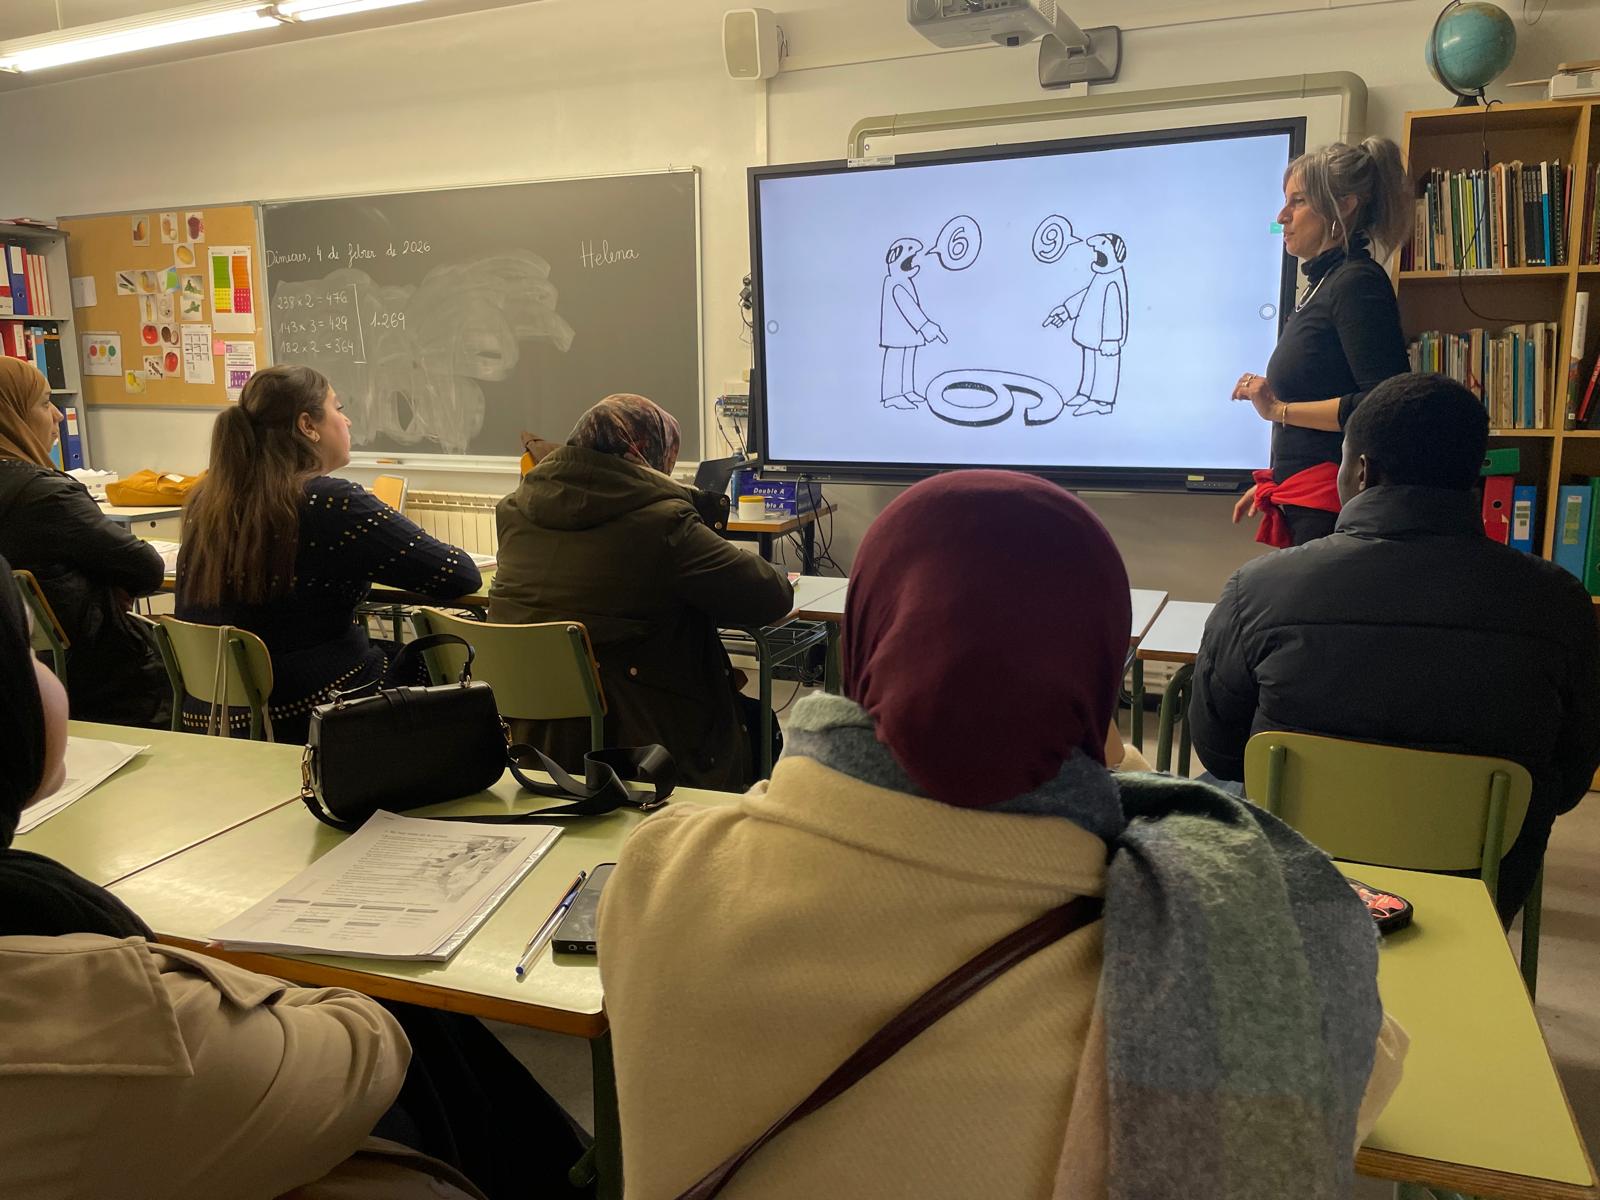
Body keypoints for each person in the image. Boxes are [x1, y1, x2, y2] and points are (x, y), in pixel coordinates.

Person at [597, 470, 1404, 1200]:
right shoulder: (1196, 966)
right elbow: (1367, 1069)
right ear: (1101, 669)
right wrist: (1113, 761)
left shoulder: (659, 874)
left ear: (868, 635)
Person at [1192, 373, 1600, 922]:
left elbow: (1220, 751)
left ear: (1362, 471)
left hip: (1296, 879)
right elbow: (1569, 781)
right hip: (1477, 893)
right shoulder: (1561, 603)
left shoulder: (1258, 588)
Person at [489, 393, 794, 790]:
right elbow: (770, 596)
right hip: (641, 751)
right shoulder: (662, 522)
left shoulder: (514, 510)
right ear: (649, 452)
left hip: (532, 741)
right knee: (757, 721)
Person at [177, 365, 480, 743]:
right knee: (434, 661)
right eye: (338, 408)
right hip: (313, 709)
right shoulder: (330, 501)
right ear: (308, 425)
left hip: (211, 710)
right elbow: (459, 574)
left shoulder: (208, 501)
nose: (347, 420)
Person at [1230, 138, 1412, 547]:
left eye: (1298, 202)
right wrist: (1279, 481)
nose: (1282, 216)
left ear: (1344, 206)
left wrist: (1277, 410)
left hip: (1333, 507)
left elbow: (1384, 403)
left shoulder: (1355, 283)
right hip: (1305, 498)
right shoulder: (1325, 284)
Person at [0, 357, 169, 727]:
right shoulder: (48, 495)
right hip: (96, 677)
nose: (59, 416)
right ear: (12, 416)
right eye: (45, 403)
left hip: (19, 677)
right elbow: (147, 567)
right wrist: (110, 584)